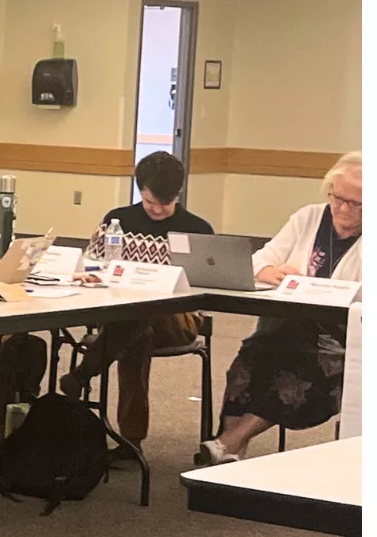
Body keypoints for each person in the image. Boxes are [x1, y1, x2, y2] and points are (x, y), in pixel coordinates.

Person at [198, 152, 362, 465]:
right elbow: (261, 258)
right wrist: (269, 272)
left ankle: (229, 441)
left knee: (296, 378)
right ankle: (230, 452)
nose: (343, 208)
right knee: (248, 362)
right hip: (284, 328)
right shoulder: (309, 217)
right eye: (338, 198)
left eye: (356, 204)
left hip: (339, 342)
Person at [58, 151, 211, 456]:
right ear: (140, 189)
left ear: (177, 195)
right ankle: (132, 442)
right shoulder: (119, 220)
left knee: (142, 315)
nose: (156, 210)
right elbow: (91, 265)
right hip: (122, 313)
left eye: (163, 205)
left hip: (178, 318)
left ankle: (84, 372)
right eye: (150, 202)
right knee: (137, 329)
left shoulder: (198, 229)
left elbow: (208, 287)